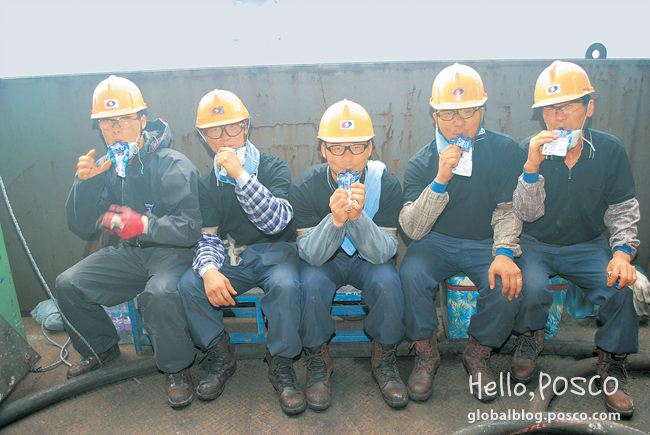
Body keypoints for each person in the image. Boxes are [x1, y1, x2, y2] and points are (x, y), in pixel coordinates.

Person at [56, 75, 202, 408]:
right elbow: (80, 224)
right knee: (68, 283)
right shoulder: (105, 168)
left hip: (172, 253)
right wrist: (86, 184)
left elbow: (190, 227)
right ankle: (100, 347)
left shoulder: (173, 165)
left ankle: (177, 369)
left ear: (142, 120)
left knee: (159, 293)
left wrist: (144, 225)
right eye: (107, 123)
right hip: (129, 254)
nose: (116, 129)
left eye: (123, 120)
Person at [513, 60, 641, 418]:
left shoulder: (609, 150)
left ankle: (612, 363)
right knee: (531, 285)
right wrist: (531, 168)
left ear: (589, 108)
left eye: (567, 106)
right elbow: (524, 215)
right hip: (537, 243)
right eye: (550, 110)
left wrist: (621, 253)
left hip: (587, 244)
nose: (558, 117)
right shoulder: (531, 147)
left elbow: (623, 209)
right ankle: (529, 336)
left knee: (621, 289)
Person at [399, 63, 525, 403]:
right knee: (410, 272)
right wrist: (440, 179)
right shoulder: (422, 160)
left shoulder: (504, 150)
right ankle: (426, 352)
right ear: (435, 117)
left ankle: (479, 352)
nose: (459, 122)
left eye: (468, 111)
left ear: (482, 111)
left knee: (506, 282)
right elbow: (412, 228)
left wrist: (503, 253)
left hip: (485, 238)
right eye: (449, 113)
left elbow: (508, 212)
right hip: (435, 240)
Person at [176, 90, 304, 415]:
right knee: (190, 283)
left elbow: (275, 222)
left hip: (277, 251)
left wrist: (240, 175)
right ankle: (220, 355)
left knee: (286, 286)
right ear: (204, 138)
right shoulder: (206, 185)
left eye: (231, 127)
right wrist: (208, 270)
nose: (224, 137)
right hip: (235, 256)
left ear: (245, 126)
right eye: (214, 131)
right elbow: (208, 237)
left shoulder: (273, 167)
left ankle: (281, 363)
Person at [290, 99, 407, 409]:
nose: (347, 159)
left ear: (370, 148)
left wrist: (358, 219)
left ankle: (384, 357)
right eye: (337, 148)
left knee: (388, 283)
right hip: (326, 260)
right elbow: (310, 255)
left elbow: (383, 253)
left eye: (356, 147)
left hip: (369, 258)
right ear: (323, 150)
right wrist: (336, 220)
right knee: (310, 284)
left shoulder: (387, 184)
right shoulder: (305, 186)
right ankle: (318, 361)